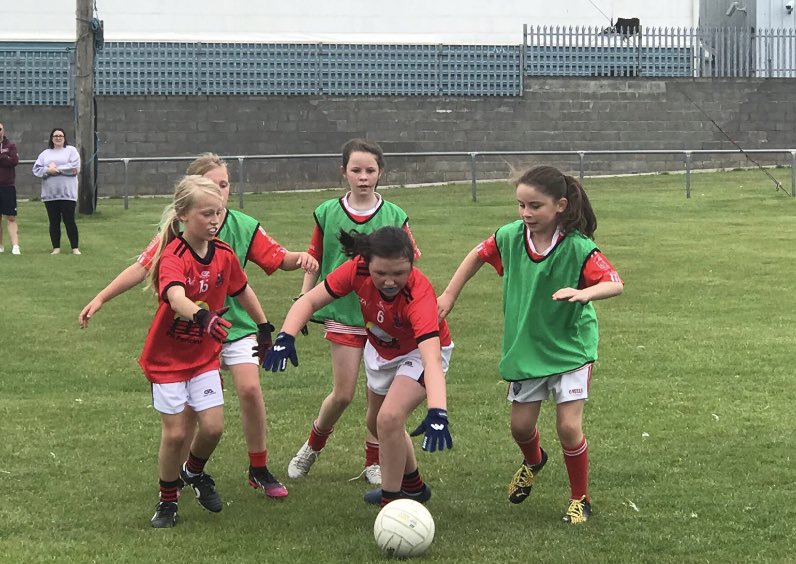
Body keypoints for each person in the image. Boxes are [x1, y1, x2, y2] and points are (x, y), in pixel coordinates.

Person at [79, 153, 318, 499]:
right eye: (213, 187)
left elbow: (277, 259)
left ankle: (258, 467)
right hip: (195, 331)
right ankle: (175, 481)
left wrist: (300, 261)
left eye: (224, 186)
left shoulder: (239, 225)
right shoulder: (176, 237)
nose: (220, 195)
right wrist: (101, 297)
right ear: (190, 202)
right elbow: (146, 271)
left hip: (233, 327)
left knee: (249, 391)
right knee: (187, 420)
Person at [437, 165, 624, 525]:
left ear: (560, 205)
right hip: (526, 348)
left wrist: (584, 293)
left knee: (569, 427)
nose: (526, 213)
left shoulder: (578, 246)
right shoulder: (509, 236)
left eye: (535, 206)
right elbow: (477, 255)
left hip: (571, 349)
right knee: (520, 427)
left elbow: (615, 283)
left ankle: (579, 499)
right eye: (521, 205)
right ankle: (535, 460)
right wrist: (448, 295)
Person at [264, 226, 453, 507]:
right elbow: (312, 300)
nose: (389, 282)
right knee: (376, 423)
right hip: (381, 350)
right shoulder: (357, 270)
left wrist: (438, 410)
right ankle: (414, 486)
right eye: (381, 274)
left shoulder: (419, 294)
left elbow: (431, 360)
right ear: (366, 263)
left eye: (399, 274)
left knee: (389, 419)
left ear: (411, 264)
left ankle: (391, 501)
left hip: (417, 353)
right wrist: (285, 336)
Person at [138, 175, 271, 528]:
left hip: (202, 357)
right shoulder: (173, 255)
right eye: (206, 214)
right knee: (177, 433)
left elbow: (243, 290)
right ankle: (168, 501)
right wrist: (202, 315)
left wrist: (263, 326)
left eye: (219, 213)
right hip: (167, 360)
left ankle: (193, 471)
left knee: (212, 428)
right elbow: (176, 296)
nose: (214, 221)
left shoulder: (225, 255)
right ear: (183, 215)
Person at [288, 138, 420, 485]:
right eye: (356, 170)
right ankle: (313, 445)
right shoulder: (327, 212)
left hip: (386, 319)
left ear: (380, 173)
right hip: (344, 311)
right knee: (343, 393)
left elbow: (411, 263)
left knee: (378, 400)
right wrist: (303, 299)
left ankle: (373, 461)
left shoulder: (395, 215)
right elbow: (313, 259)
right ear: (343, 172)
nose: (363, 177)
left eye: (370, 170)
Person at [32, 128, 81, 255]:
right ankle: (56, 248)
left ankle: (75, 248)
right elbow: (36, 169)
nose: (58, 138)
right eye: (55, 136)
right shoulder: (45, 154)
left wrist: (55, 169)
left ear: (64, 137)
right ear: (51, 138)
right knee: (54, 221)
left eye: (60, 135)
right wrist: (48, 170)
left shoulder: (71, 151)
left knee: (69, 220)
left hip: (68, 194)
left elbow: (74, 168)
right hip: (50, 194)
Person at [0, 122, 21, 255]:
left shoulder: (10, 146)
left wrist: (2, 156)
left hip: (7, 186)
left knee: (11, 217)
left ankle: (15, 246)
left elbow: (13, 161)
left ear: (3, 130)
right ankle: (0, 246)